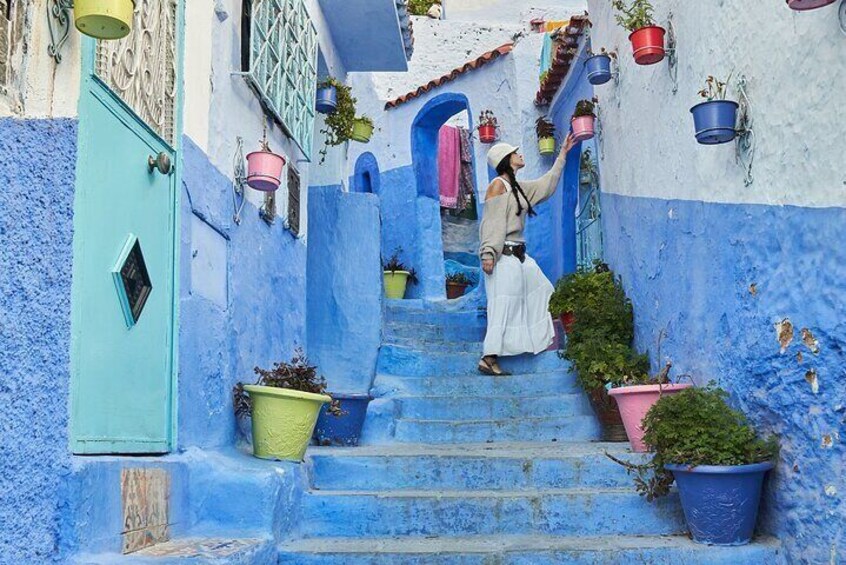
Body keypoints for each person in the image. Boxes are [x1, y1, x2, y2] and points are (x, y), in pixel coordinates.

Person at [477, 134, 576, 376]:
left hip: (521, 257)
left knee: (544, 291)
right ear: (506, 160)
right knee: (503, 304)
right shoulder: (498, 186)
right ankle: (488, 358)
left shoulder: (518, 188)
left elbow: (547, 185)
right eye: (516, 153)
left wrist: (562, 154)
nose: (520, 155)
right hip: (504, 256)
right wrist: (488, 253)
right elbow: (491, 221)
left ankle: (541, 340)